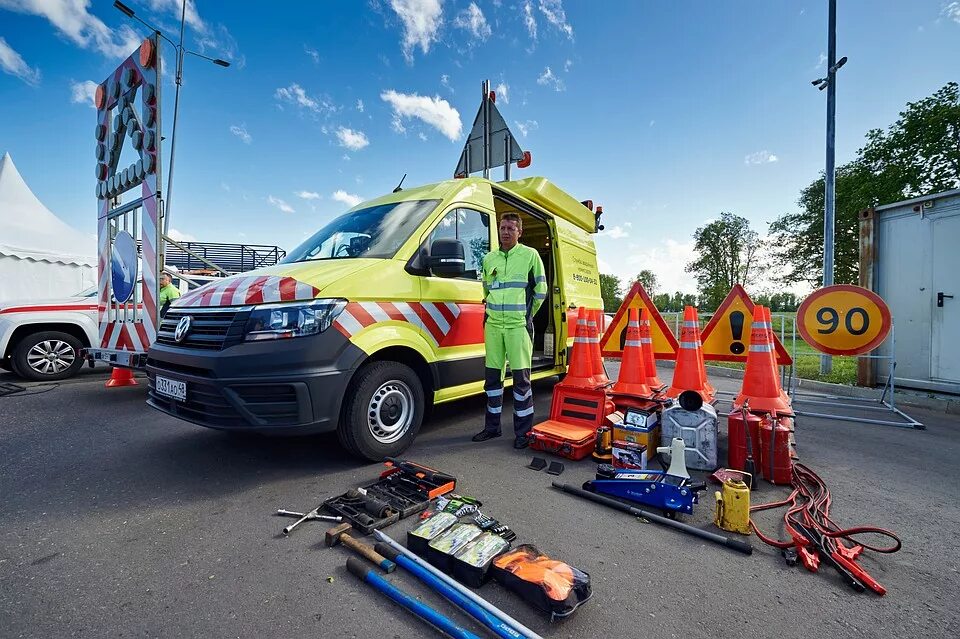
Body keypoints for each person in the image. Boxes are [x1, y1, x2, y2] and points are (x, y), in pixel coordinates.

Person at [472, 213, 547, 449]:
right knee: (492, 380)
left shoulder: (530, 255)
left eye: (511, 228)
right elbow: (485, 289)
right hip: (493, 326)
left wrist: (526, 315)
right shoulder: (489, 258)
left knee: (521, 382)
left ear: (519, 232)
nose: (506, 232)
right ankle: (492, 428)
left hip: (517, 327)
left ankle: (523, 433)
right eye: (503, 227)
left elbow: (541, 290)